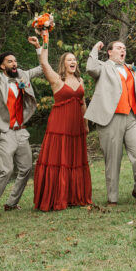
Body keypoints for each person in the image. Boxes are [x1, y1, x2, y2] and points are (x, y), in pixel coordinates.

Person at [84, 40, 136, 206]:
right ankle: (112, 198)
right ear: (110, 52)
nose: (123, 50)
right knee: (113, 159)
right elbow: (90, 68)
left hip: (132, 117)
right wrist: (94, 48)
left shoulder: (132, 70)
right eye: (118, 48)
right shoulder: (103, 66)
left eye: (124, 48)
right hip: (111, 118)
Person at [0, 36, 44, 215]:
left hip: (21, 130)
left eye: (15, 61)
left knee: (26, 169)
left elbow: (42, 68)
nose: (14, 63)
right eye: (10, 61)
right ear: (2, 65)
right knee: (7, 170)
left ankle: (11, 203)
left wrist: (39, 47)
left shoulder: (23, 75)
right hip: (5, 131)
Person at [33, 49, 93, 210]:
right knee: (60, 158)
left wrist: (86, 124)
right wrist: (44, 42)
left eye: (74, 59)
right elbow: (44, 63)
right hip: (59, 124)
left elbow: (83, 103)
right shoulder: (57, 80)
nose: (73, 62)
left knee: (75, 159)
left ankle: (74, 196)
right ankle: (57, 196)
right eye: (69, 60)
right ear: (63, 64)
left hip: (76, 125)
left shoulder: (80, 81)